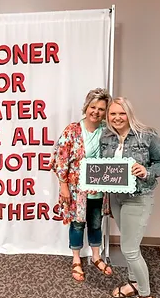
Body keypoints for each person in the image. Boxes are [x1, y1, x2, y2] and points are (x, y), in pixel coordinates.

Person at [50, 88, 113, 282]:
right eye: (93, 107)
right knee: (77, 225)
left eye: (101, 109)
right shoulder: (72, 130)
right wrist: (63, 186)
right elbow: (60, 159)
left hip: (100, 189)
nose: (96, 112)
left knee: (96, 223)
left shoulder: (108, 131)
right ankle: (76, 259)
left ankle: (96, 256)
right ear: (86, 107)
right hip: (77, 190)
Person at [100, 97, 159, 298]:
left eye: (121, 113)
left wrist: (146, 171)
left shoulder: (147, 135)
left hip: (138, 197)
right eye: (113, 113)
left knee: (129, 249)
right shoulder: (106, 137)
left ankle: (145, 294)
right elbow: (102, 168)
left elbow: (158, 162)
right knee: (128, 245)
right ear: (108, 116)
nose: (117, 118)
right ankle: (133, 284)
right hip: (116, 197)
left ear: (129, 113)